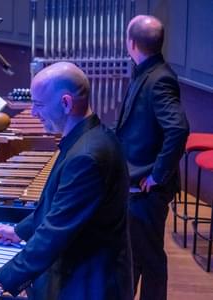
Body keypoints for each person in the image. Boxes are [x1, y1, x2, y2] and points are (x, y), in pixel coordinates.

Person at [0, 62, 133, 300]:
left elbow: (57, 229)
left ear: (66, 103)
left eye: (38, 105)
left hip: (89, 285)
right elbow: (57, 207)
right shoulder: (89, 137)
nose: (34, 113)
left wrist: (4, 276)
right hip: (83, 272)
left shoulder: (87, 155)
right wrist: (19, 231)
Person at [114, 15, 189, 300]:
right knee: (139, 255)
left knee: (150, 259)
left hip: (147, 189)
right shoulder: (148, 71)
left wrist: (157, 175)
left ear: (131, 43)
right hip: (138, 184)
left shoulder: (159, 79)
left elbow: (178, 129)